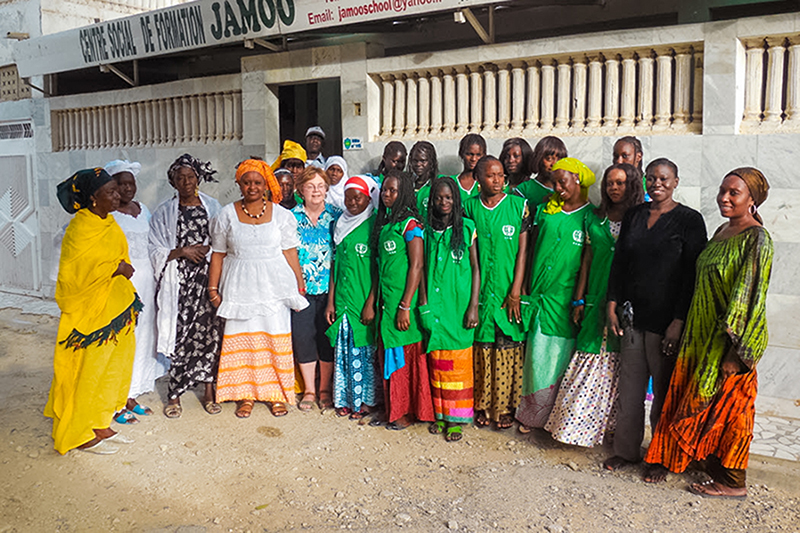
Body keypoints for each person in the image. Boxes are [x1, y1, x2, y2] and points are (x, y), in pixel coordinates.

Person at [643, 168, 773, 496]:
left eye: (734, 193)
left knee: (732, 411)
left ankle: (732, 482)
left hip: (729, 343)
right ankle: (701, 462)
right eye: (722, 190)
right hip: (698, 338)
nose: (724, 198)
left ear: (752, 200)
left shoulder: (757, 239)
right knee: (695, 402)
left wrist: (735, 352)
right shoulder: (722, 231)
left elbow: (749, 297)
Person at [603, 157, 708, 471]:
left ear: (676, 181)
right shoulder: (635, 214)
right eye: (651, 178)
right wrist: (612, 303)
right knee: (631, 392)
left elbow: (692, 275)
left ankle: (660, 457)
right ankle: (626, 452)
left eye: (663, 179)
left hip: (666, 323)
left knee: (663, 393)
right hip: (632, 317)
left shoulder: (690, 220)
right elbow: (620, 262)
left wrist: (679, 320)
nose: (656, 184)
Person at [544, 163, 644, 446]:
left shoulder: (639, 219)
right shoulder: (595, 219)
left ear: (632, 184)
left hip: (626, 303)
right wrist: (579, 298)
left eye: (621, 183)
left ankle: (610, 430)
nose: (614, 187)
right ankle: (574, 429)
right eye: (610, 183)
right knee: (588, 356)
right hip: (595, 296)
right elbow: (586, 260)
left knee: (620, 365)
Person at [46, 168, 141, 454]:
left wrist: (121, 267)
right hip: (90, 316)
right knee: (89, 371)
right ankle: (78, 432)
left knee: (113, 369)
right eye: (110, 192)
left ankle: (100, 421)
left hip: (116, 309)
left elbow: (118, 252)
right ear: (92, 199)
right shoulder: (80, 229)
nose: (117, 195)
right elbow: (74, 274)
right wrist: (117, 268)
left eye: (116, 190)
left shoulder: (109, 222)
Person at [208, 159, 308, 418]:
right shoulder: (226, 215)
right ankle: (246, 396)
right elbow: (217, 254)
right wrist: (213, 289)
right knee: (245, 338)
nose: (252, 187)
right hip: (240, 287)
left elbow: (290, 251)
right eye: (247, 182)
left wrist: (298, 282)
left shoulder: (282, 215)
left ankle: (276, 395)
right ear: (239, 184)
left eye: (258, 182)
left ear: (266, 185)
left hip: (274, 287)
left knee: (274, 337)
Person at [516, 158, 595, 431]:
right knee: (535, 357)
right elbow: (530, 247)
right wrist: (524, 284)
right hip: (538, 294)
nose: (558, 187)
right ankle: (531, 416)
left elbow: (586, 260)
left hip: (565, 299)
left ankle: (555, 418)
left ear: (578, 181)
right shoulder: (545, 211)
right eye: (554, 182)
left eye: (563, 181)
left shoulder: (589, 216)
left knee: (559, 357)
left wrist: (579, 299)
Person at [149, 154, 223, 419]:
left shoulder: (213, 207)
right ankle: (174, 394)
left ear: (198, 179)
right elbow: (155, 247)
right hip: (179, 283)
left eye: (190, 177)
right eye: (180, 178)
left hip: (207, 280)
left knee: (210, 335)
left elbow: (223, 239)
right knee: (180, 336)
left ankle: (209, 391)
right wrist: (182, 251)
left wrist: (208, 249)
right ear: (173, 181)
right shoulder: (165, 212)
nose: (186, 182)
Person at [464, 156, 529, 430]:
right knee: (483, 347)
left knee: (508, 346)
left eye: (500, 175)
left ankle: (505, 408)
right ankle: (482, 405)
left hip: (506, 287)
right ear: (478, 178)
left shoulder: (518, 206)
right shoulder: (468, 207)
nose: (497, 180)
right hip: (479, 290)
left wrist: (516, 288)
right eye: (491, 175)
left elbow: (524, 250)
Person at [103, 160, 166, 425]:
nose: (127, 188)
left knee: (142, 338)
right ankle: (112, 402)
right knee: (119, 340)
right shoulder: (106, 215)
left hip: (146, 285)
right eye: (121, 183)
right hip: (120, 285)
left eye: (131, 183)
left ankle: (131, 394)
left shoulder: (144, 210)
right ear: (111, 187)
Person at [421, 176, 480, 442]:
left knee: (458, 365)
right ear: (431, 201)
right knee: (438, 363)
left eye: (448, 197)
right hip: (435, 306)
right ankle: (441, 414)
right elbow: (420, 270)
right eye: (438, 198)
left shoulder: (467, 228)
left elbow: (477, 269)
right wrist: (422, 305)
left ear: (456, 200)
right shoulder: (426, 231)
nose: (443, 202)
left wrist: (473, 306)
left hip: (459, 308)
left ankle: (456, 420)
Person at [374, 169, 433, 430]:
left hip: (401, 304)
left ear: (405, 192)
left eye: (393, 190)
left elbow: (417, 265)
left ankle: (405, 412)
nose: (387, 195)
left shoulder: (410, 226)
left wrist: (405, 305)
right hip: (386, 303)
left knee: (404, 359)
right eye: (385, 190)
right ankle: (391, 409)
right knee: (388, 356)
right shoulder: (387, 225)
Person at [325, 175, 380, 419]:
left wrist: (371, 302)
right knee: (344, 351)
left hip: (362, 300)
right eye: (348, 197)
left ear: (368, 198)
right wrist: (330, 301)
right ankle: (345, 399)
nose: (353, 202)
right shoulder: (339, 223)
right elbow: (335, 265)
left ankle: (365, 403)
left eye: (358, 197)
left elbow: (379, 268)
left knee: (365, 353)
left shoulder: (374, 225)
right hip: (343, 301)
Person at [291, 166, 341, 411]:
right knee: (303, 338)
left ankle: (325, 389)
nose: (316, 191)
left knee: (326, 338)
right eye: (310, 186)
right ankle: (310, 389)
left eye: (321, 186)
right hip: (300, 290)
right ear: (301, 190)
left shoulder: (337, 215)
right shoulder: (291, 218)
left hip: (330, 291)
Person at [515, 136, 567, 207]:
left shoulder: (567, 188)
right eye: (549, 159)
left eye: (559, 160)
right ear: (538, 159)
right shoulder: (524, 189)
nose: (554, 164)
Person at [408, 140, 439, 218]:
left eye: (423, 161)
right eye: (415, 161)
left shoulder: (438, 184)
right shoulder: (407, 184)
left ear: (431, 162)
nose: (418, 164)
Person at [612, 136, 648, 201]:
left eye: (624, 156)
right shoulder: (612, 185)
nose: (619, 161)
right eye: (616, 156)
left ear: (638, 157)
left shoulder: (648, 184)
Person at [454, 134, 486, 202]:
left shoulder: (487, 182)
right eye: (469, 154)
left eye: (478, 155)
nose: (473, 159)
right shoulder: (452, 182)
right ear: (461, 154)